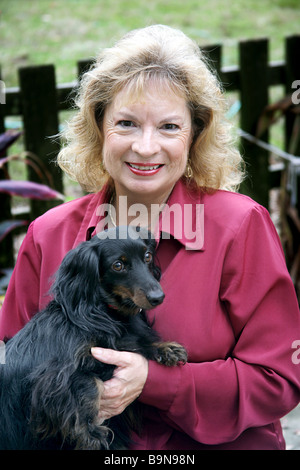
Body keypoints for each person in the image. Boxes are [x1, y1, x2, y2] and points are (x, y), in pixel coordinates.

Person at [1, 24, 300, 450]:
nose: (145, 147)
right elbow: (14, 367)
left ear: (194, 135)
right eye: (126, 123)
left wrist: (154, 381)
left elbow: (279, 379)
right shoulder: (48, 234)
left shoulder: (240, 226)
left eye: (168, 127)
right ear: (98, 126)